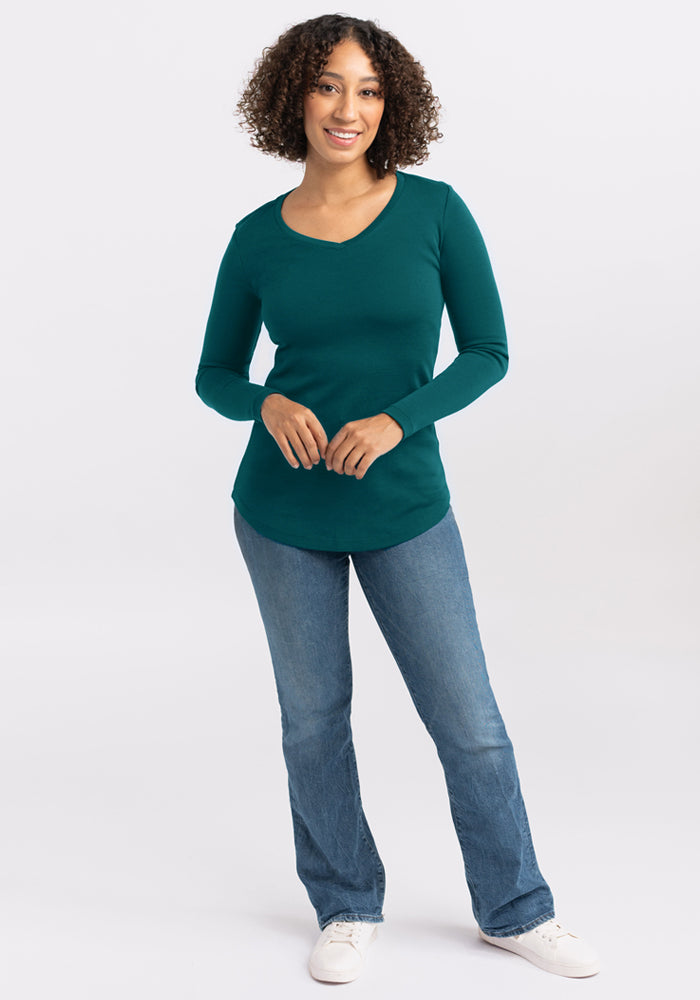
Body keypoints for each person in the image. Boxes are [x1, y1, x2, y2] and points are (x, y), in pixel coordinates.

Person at [195, 13, 599, 985]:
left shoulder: (433, 211)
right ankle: (344, 901)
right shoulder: (257, 237)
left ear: (394, 104)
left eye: (369, 89)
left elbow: (488, 351)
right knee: (313, 719)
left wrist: (396, 421)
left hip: (405, 502)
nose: (349, 107)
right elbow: (214, 374)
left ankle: (514, 906)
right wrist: (266, 401)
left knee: (467, 717)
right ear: (294, 96)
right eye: (330, 85)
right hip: (279, 512)